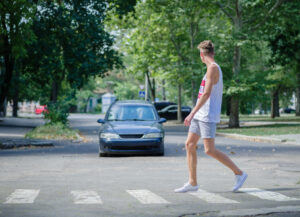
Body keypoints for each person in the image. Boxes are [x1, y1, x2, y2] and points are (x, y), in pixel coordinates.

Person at [174, 40, 247, 193]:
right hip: (200, 114)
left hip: (207, 115)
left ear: (202, 55)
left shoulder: (213, 68)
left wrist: (192, 112)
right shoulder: (209, 69)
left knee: (209, 150)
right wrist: (195, 113)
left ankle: (239, 173)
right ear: (212, 53)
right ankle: (192, 183)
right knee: (189, 145)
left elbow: (206, 94)